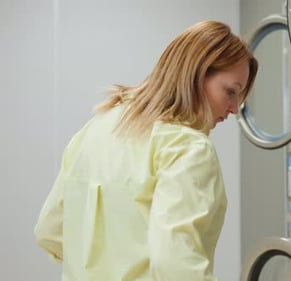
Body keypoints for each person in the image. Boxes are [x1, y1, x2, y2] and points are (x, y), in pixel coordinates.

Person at [34, 20, 258, 281]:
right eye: (231, 92)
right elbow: (176, 264)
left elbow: (49, 231)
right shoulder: (187, 148)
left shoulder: (98, 128)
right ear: (196, 73)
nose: (233, 109)